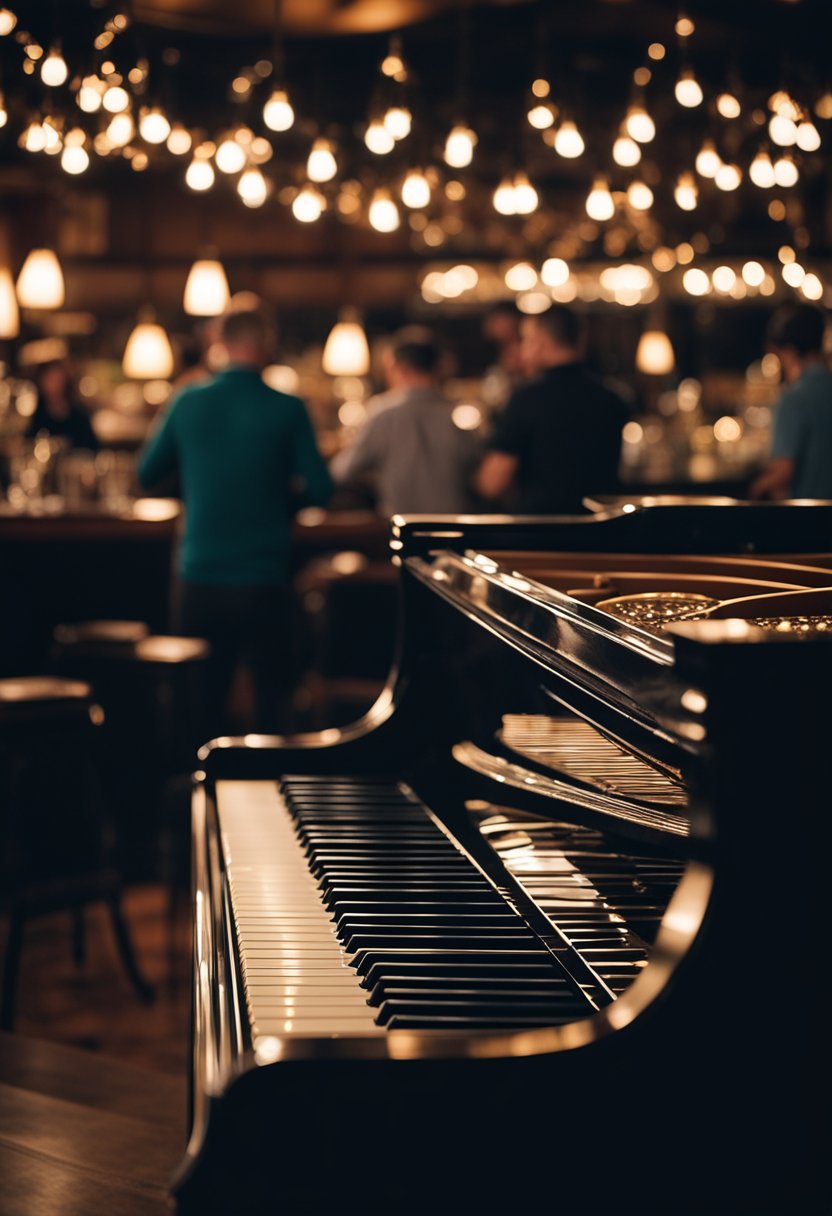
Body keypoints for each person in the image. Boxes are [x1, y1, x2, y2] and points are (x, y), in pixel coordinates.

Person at [137, 297, 332, 734]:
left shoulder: (188, 401)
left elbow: (147, 474)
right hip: (264, 577)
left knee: (199, 712)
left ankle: (195, 794)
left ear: (218, 343)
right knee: (270, 715)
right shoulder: (287, 406)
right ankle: (266, 795)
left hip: (199, 576)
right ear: (267, 344)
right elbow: (321, 488)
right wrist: (281, 494)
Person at [475, 306, 628, 514]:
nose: (522, 350)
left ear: (540, 343)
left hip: (540, 532)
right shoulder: (613, 399)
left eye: (526, 340)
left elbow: (491, 484)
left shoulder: (526, 399)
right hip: (601, 530)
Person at [330, 326, 483, 515]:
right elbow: (480, 479)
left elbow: (342, 472)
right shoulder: (462, 414)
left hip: (401, 532)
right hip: (455, 530)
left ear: (396, 365)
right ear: (438, 367)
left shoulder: (382, 413)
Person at [750, 304, 832, 500]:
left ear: (788, 351)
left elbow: (783, 472)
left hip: (808, 519)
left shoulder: (793, 399)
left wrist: (755, 490)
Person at [25, 356, 99, 451]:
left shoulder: (79, 415)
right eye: (50, 381)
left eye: (58, 381)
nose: (55, 387)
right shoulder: (37, 415)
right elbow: (29, 445)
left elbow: (92, 448)